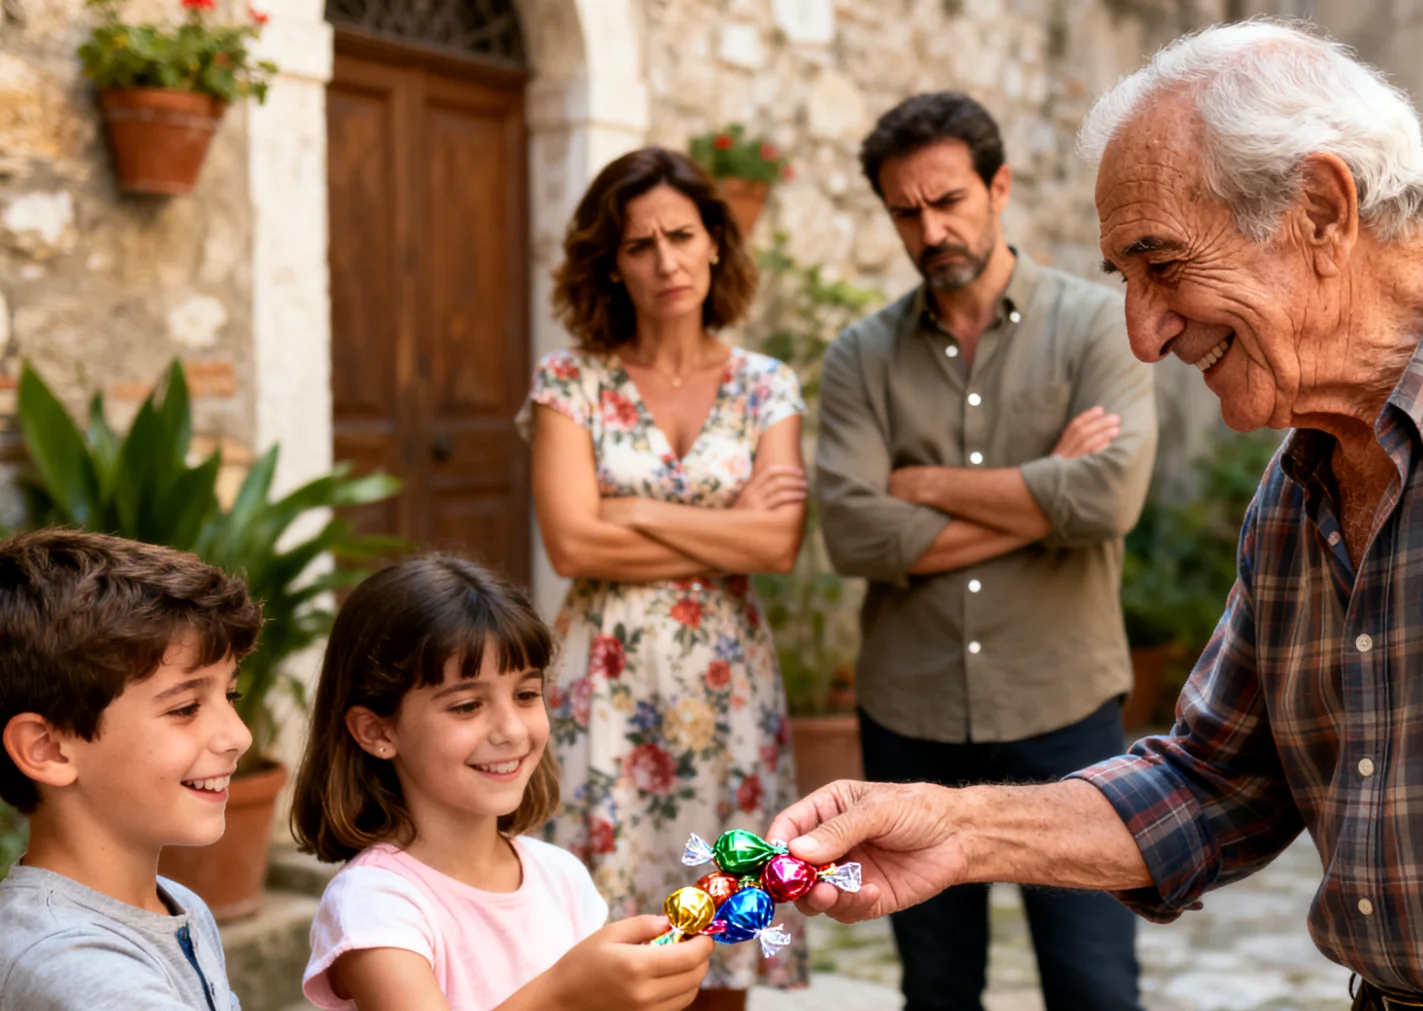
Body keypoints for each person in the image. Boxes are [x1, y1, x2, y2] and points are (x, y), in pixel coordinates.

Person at [775, 21, 1423, 1011]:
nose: (1143, 334)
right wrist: (952, 828)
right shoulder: (1298, 484)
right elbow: (1208, 785)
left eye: (1163, 265)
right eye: (1123, 279)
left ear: (1320, 209)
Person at [813, 91, 1157, 1011]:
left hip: (1064, 706)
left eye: (948, 200)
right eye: (906, 211)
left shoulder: (1096, 324)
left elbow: (1108, 497)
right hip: (911, 711)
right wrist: (1046, 493)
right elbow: (853, 530)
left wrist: (923, 484)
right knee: (936, 988)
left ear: (998, 187)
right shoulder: (859, 357)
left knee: (1094, 985)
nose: (930, 229)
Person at [520, 146, 809, 1009]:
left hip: (728, 694)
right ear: (612, 262)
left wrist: (634, 508)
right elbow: (573, 545)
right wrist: (729, 529)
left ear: (715, 240)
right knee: (605, 944)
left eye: (681, 235)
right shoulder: (570, 379)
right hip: (604, 690)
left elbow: (778, 544)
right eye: (639, 245)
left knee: (723, 941)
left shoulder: (765, 386)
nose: (666, 261)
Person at [291, 554, 712, 1011]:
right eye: (467, 706)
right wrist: (565, 993)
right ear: (377, 731)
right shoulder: (375, 904)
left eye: (526, 695)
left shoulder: (562, 877)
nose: (511, 730)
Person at [0, 529, 260, 1010]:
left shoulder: (178, 905)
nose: (239, 736)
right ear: (48, 750)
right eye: (185, 708)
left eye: (230, 695)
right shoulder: (70, 961)